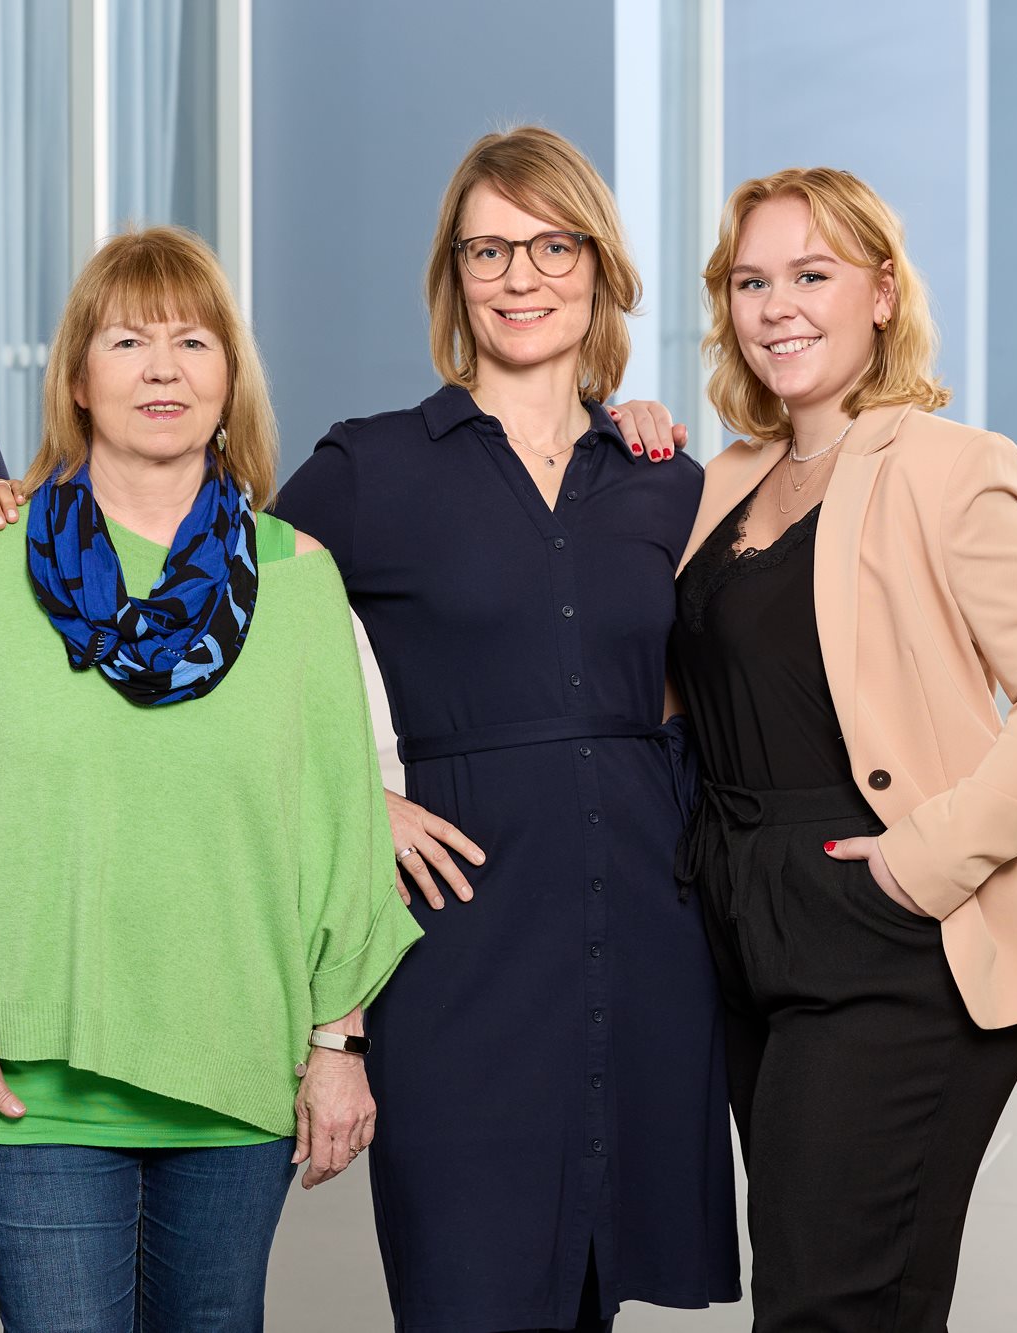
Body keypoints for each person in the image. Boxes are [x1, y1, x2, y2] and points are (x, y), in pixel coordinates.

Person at [0, 224, 421, 1333]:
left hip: (237, 1071)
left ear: (229, 380)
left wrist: (338, 1047)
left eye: (192, 341)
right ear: (77, 378)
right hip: (30, 1080)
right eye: (126, 341)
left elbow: (342, 837)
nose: (162, 368)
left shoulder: (299, 580)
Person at [269, 126, 739, 1331]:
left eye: (550, 245)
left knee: (593, 1292)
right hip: (457, 947)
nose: (520, 276)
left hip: (639, 929)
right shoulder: (368, 467)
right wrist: (353, 796)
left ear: (599, 268)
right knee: (466, 1287)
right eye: (488, 250)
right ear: (453, 275)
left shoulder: (662, 477)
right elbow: (224, 628)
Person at [668, 166, 1017, 1330]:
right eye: (751, 281)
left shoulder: (945, 468)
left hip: (883, 936)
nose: (776, 306)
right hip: (738, 922)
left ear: (878, 290)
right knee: (828, 1288)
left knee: (827, 1304)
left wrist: (923, 863)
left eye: (809, 275)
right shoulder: (722, 481)